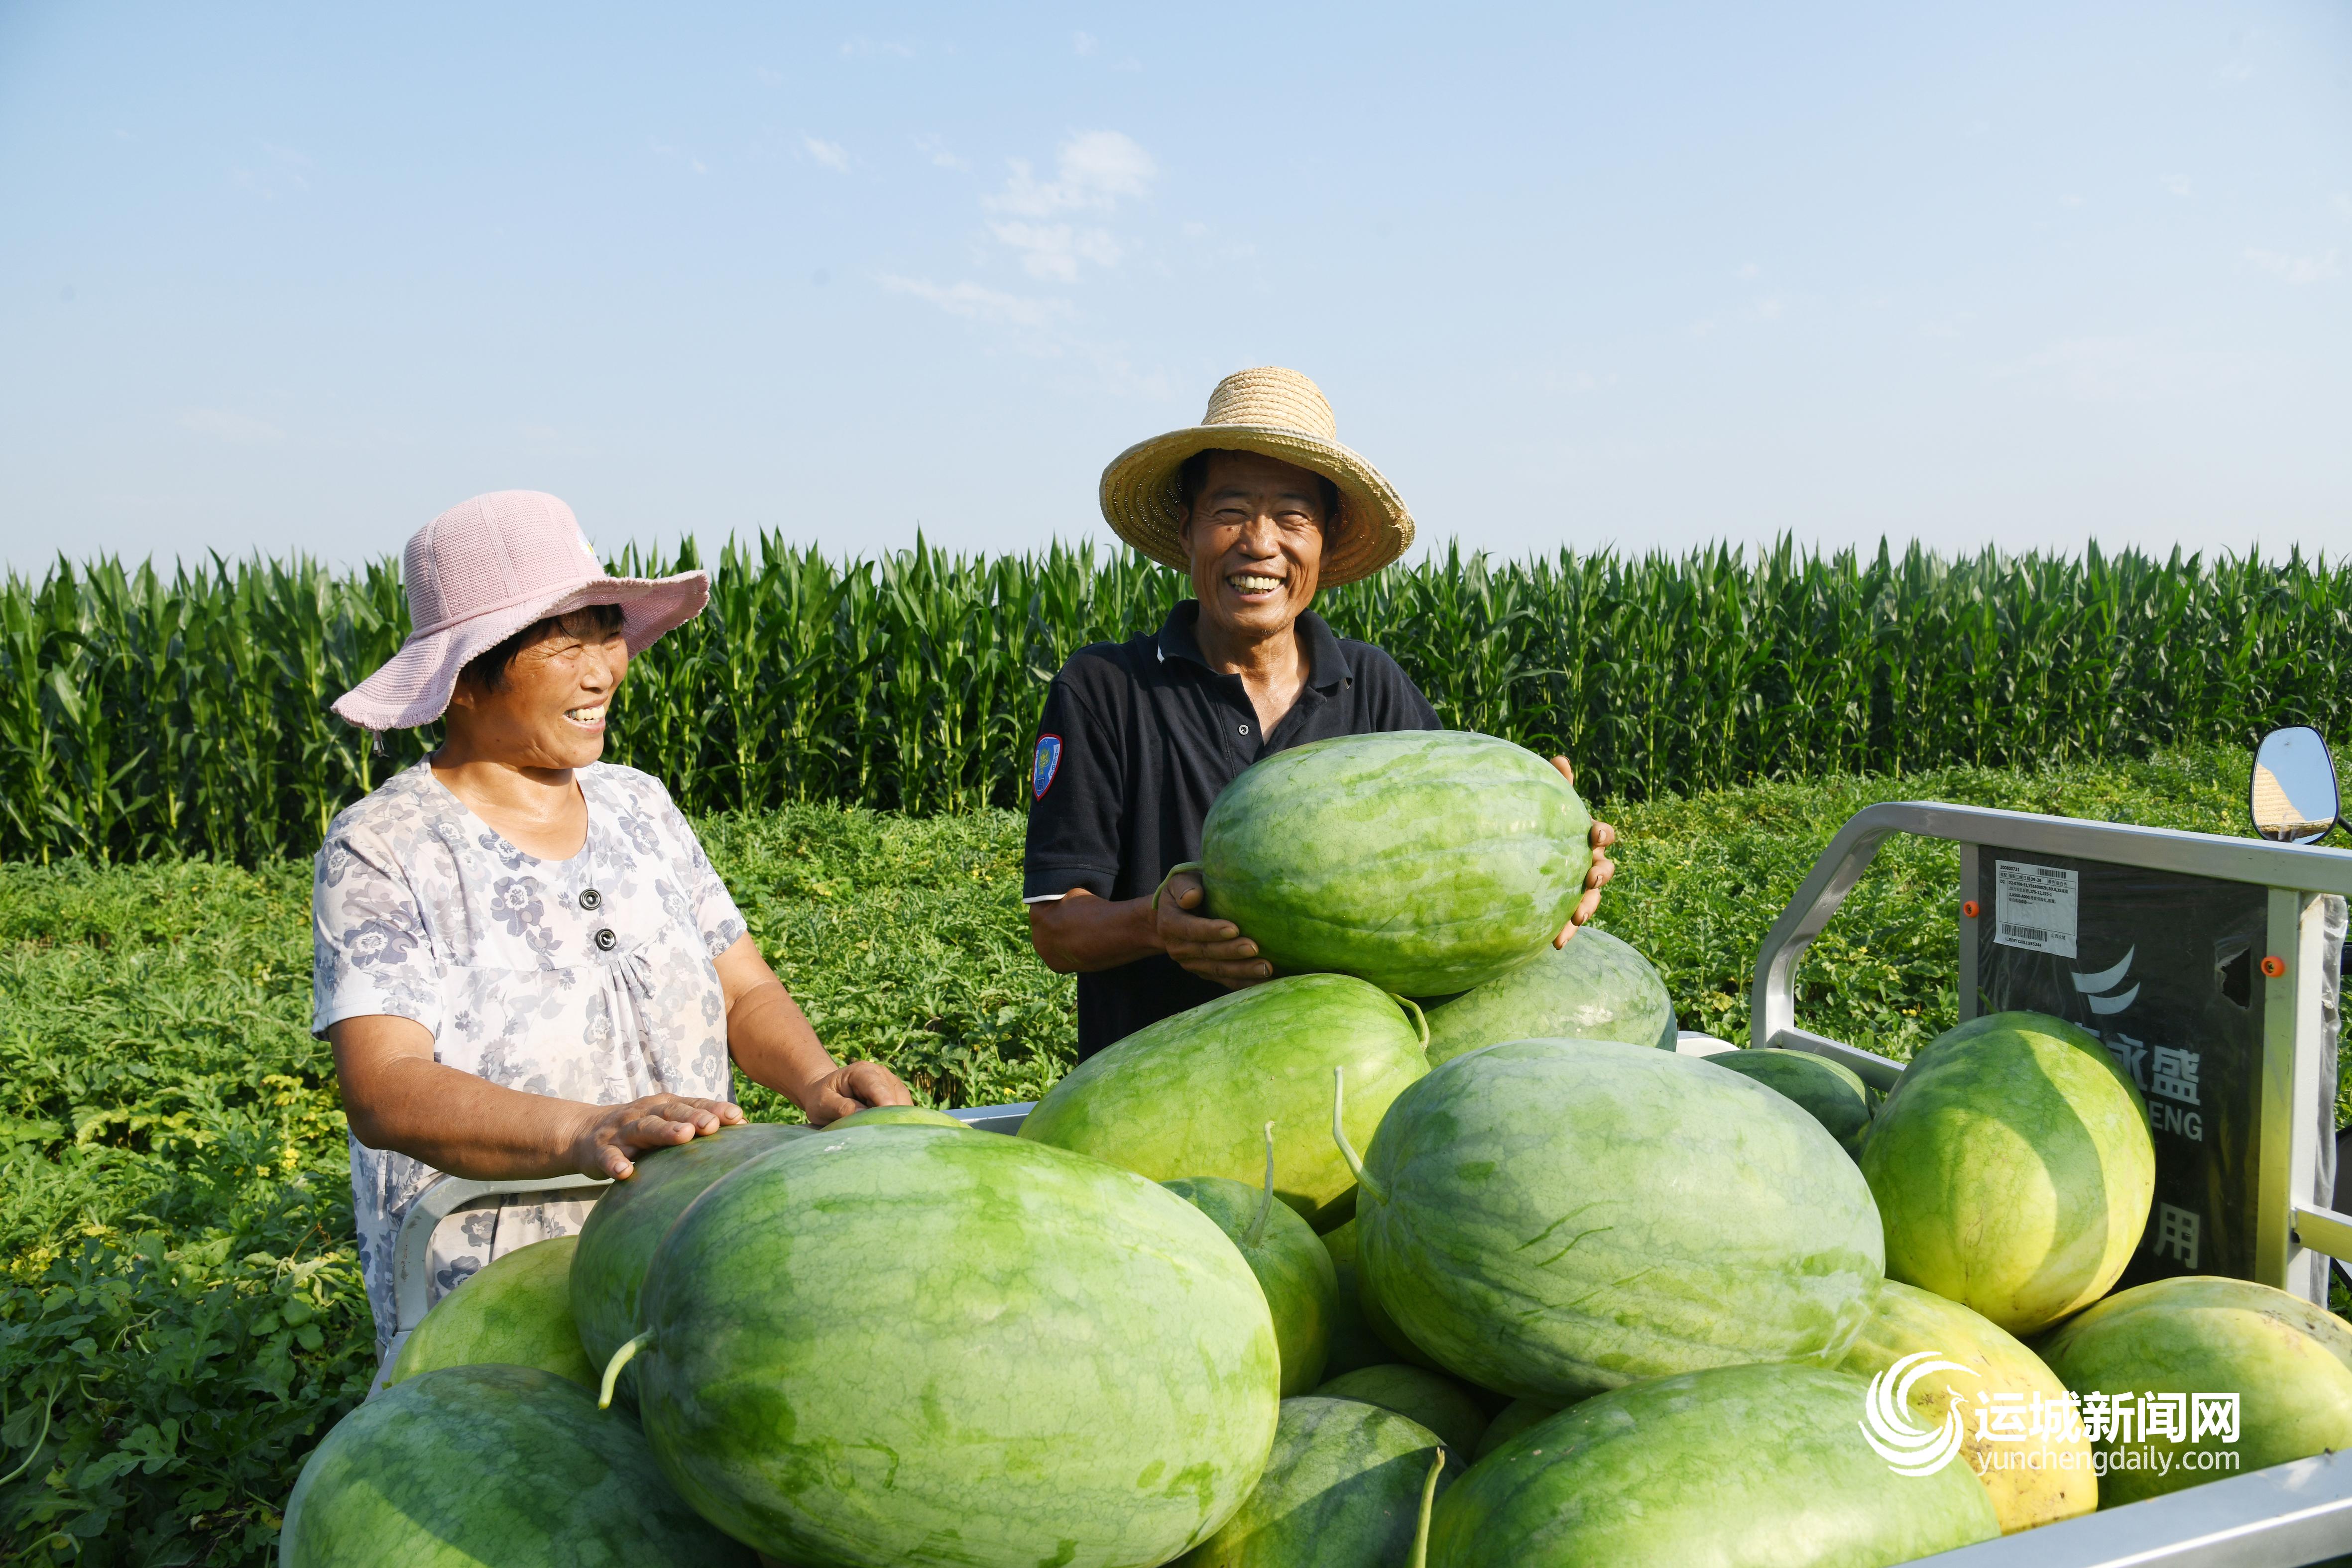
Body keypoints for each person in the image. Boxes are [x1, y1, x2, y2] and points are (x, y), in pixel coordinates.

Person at [315, 490, 910, 1356]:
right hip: (499, 1291)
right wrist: (584, 1129)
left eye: (606, 630)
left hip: (688, 1262)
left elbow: (740, 985)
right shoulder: (386, 844)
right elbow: (385, 1086)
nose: (603, 669)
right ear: (467, 675)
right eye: (565, 640)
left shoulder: (640, 804)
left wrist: (817, 1082)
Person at [1025, 367, 1617, 1058]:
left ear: (1327, 540)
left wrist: (1551, 853)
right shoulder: (1104, 689)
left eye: (1292, 515)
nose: (1259, 542)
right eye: (1230, 510)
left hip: (1343, 1102)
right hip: (1157, 1096)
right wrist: (1157, 926)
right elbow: (1057, 927)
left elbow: (1464, 856)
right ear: (1187, 529)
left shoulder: (1373, 687)